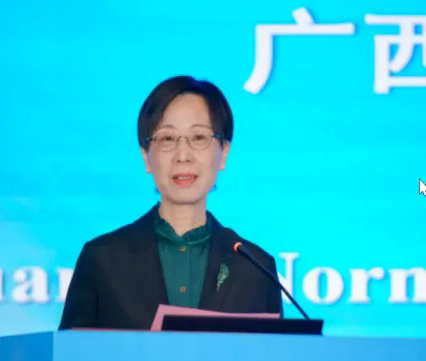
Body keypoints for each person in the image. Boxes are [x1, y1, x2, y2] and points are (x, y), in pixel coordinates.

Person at [58, 75, 283, 329]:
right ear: (146, 156)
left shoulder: (256, 269)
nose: (183, 155)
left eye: (199, 137)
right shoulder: (103, 260)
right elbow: (71, 353)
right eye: (167, 138)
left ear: (223, 153)